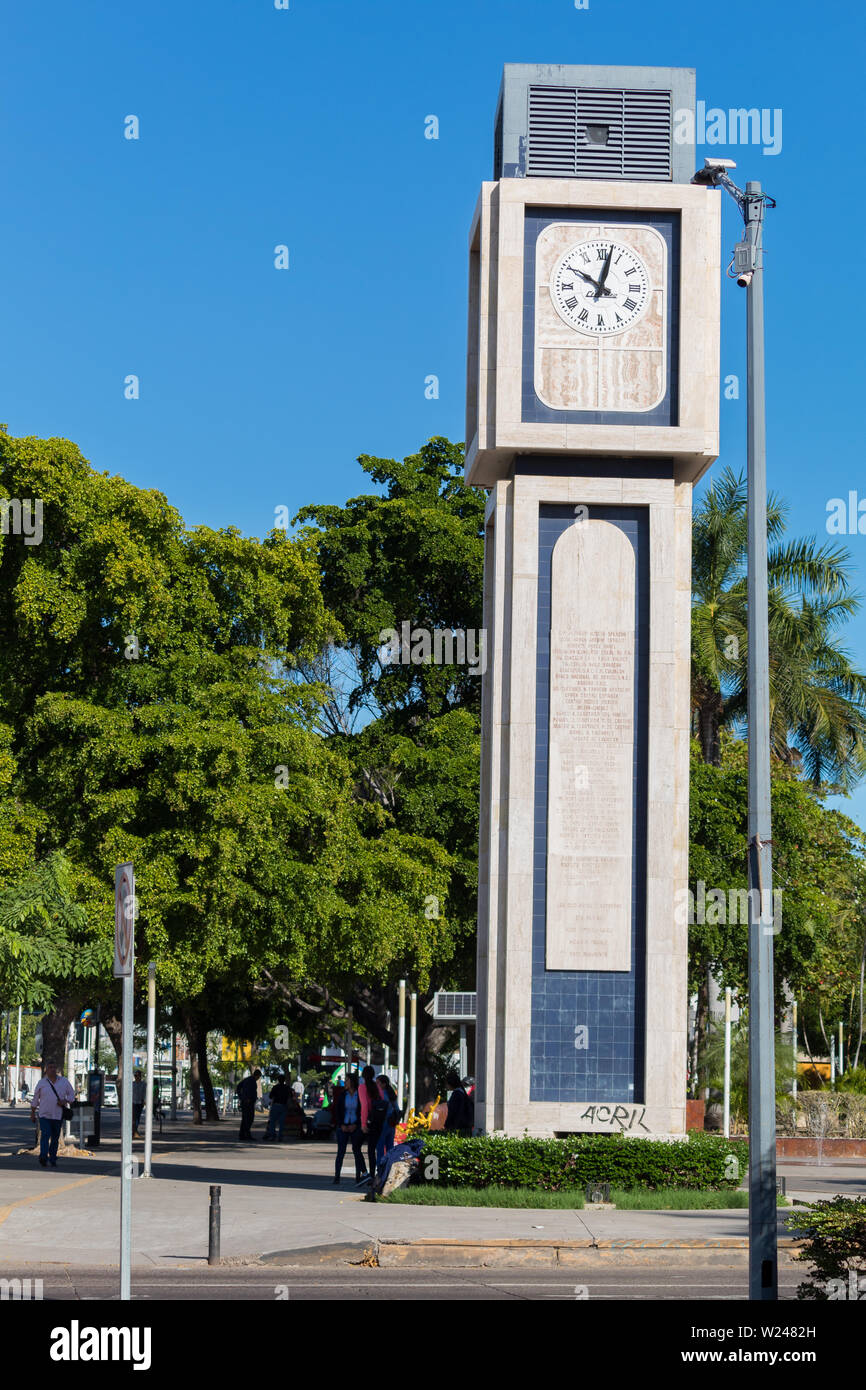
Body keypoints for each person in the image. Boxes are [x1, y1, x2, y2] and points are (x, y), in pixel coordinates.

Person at [29, 1062, 75, 1169]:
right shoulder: (42, 1083)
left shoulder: (64, 1082)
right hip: (44, 1115)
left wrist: (65, 1101)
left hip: (57, 1116)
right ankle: (43, 1157)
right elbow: (35, 1099)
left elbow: (72, 1096)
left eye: (54, 1067)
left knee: (55, 1138)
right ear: (46, 1070)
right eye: (50, 1067)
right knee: (45, 1134)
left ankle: (53, 1158)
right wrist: (32, 1113)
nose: (52, 1069)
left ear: (57, 1069)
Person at [332, 1071, 366, 1186]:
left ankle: (358, 1176)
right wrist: (341, 1124)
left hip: (355, 1126)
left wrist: (356, 1124)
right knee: (340, 1152)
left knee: (356, 1151)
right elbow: (338, 1111)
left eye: (347, 1080)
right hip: (343, 1126)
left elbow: (362, 1111)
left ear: (352, 1082)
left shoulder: (359, 1095)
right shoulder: (343, 1095)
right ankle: (337, 1176)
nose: (345, 1082)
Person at [359, 1064, 382, 1184]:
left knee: (359, 1148)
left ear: (363, 1075)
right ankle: (376, 1174)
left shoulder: (362, 1087)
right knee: (375, 1149)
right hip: (379, 1121)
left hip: (368, 1121)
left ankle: (368, 1174)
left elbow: (364, 1106)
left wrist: (363, 1124)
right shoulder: (377, 1087)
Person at [374, 1075, 399, 1176]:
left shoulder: (381, 1094)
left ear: (383, 1084)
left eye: (378, 1083)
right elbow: (396, 1109)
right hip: (391, 1124)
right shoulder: (391, 1093)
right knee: (390, 1148)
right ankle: (389, 1169)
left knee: (380, 1148)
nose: (376, 1085)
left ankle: (380, 1171)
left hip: (382, 1123)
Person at [444, 1070, 474, 1135]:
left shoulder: (457, 1094)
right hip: (465, 1126)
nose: (446, 1085)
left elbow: (453, 1112)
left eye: (446, 1083)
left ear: (450, 1083)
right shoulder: (462, 1093)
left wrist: (447, 1125)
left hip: (458, 1127)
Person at [237, 1069, 261, 1143]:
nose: (258, 1079)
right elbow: (241, 1088)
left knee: (245, 1119)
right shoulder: (251, 1081)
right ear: (257, 1075)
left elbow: (238, 1087)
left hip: (247, 1102)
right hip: (248, 1102)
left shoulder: (248, 1079)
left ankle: (243, 1134)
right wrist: (244, 1098)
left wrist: (241, 1097)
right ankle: (246, 1134)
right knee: (249, 1119)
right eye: (259, 1077)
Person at [265, 1074, 289, 1142]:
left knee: (273, 1122)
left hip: (276, 1105)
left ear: (278, 1080)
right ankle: (280, 1136)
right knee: (282, 1122)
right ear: (284, 1080)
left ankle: (272, 1135)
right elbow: (290, 1097)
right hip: (284, 1106)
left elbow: (270, 1096)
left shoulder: (275, 1087)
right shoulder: (287, 1088)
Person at [131, 1070, 146, 1138]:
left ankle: (135, 1131)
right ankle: (134, 1131)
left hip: (140, 1102)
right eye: (135, 1076)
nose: (136, 1077)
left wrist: (144, 1101)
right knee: (134, 1118)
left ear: (140, 1076)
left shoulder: (143, 1084)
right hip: (133, 1102)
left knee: (138, 1118)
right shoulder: (132, 1084)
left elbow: (144, 1093)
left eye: (137, 1075)